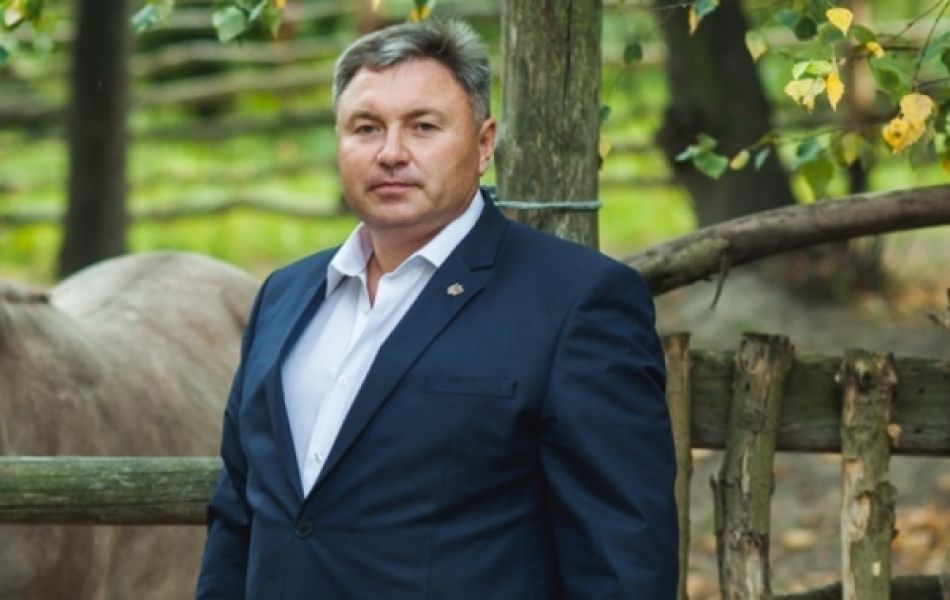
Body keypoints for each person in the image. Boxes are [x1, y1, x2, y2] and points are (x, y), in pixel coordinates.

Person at [196, 18, 677, 599]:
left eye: (423, 126)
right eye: (366, 128)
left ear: (484, 143)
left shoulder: (578, 302)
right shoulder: (285, 295)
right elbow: (239, 514)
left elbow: (623, 560)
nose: (391, 153)